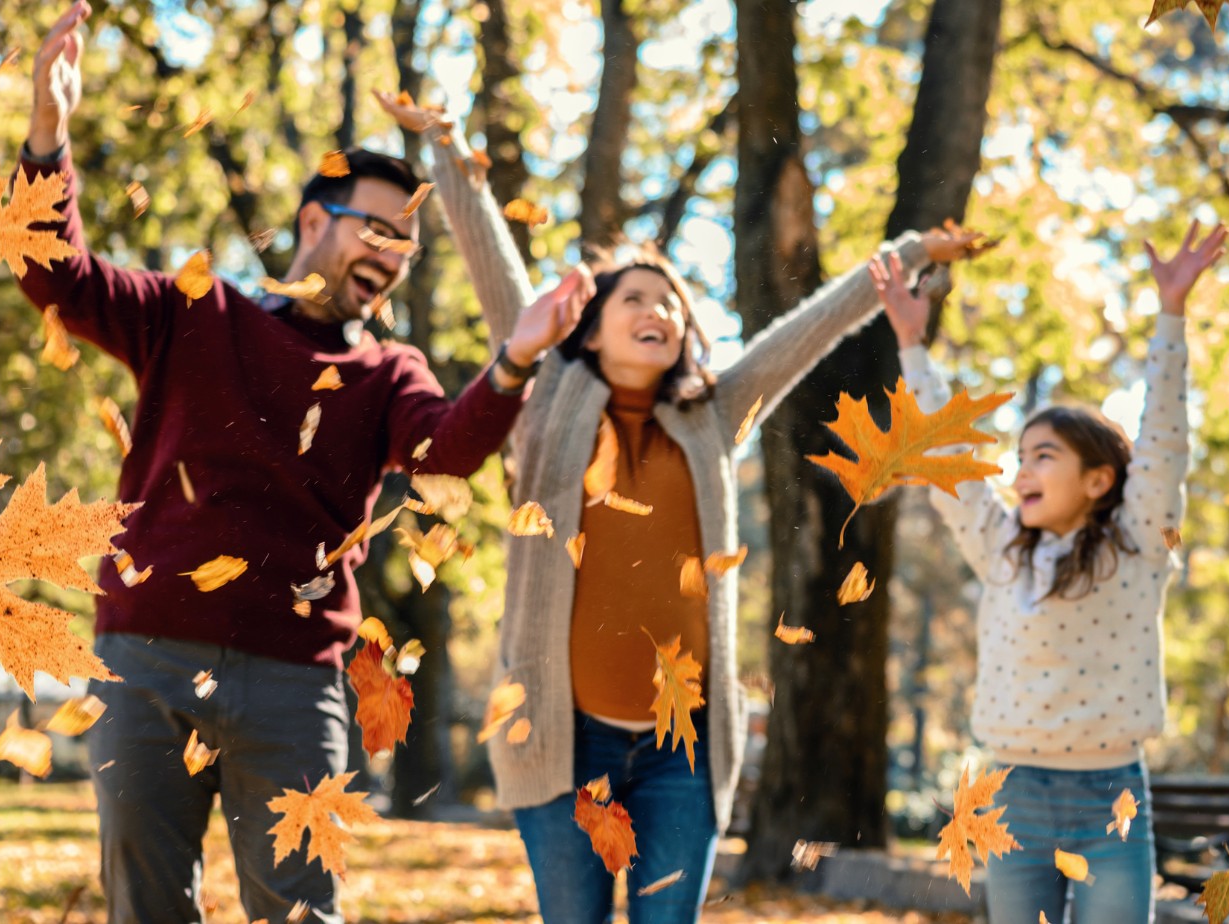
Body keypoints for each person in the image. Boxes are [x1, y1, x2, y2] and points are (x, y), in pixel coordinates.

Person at [12, 5, 593, 922]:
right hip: (148, 657)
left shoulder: (388, 371)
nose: (393, 255)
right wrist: (48, 139)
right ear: (315, 221)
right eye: (377, 229)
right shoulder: (194, 313)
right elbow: (59, 278)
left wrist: (515, 359)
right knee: (147, 907)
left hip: (296, 680)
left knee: (299, 912)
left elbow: (448, 450)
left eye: (407, 241)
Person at [377, 92, 942, 922]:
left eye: (673, 302)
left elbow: (808, 329)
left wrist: (912, 250)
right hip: (562, 742)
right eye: (635, 298)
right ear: (590, 325)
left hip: (684, 748)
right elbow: (494, 264)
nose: (660, 311)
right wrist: (449, 146)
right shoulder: (548, 398)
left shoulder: (714, 413)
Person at [870, 221, 1227, 924]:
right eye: (1023, 453)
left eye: (1044, 457)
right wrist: (911, 343)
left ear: (1098, 480)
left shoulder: (1136, 546)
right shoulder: (1002, 551)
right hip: (1014, 794)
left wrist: (1172, 316)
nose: (1022, 469)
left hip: (1111, 797)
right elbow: (951, 459)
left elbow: (1163, 444)